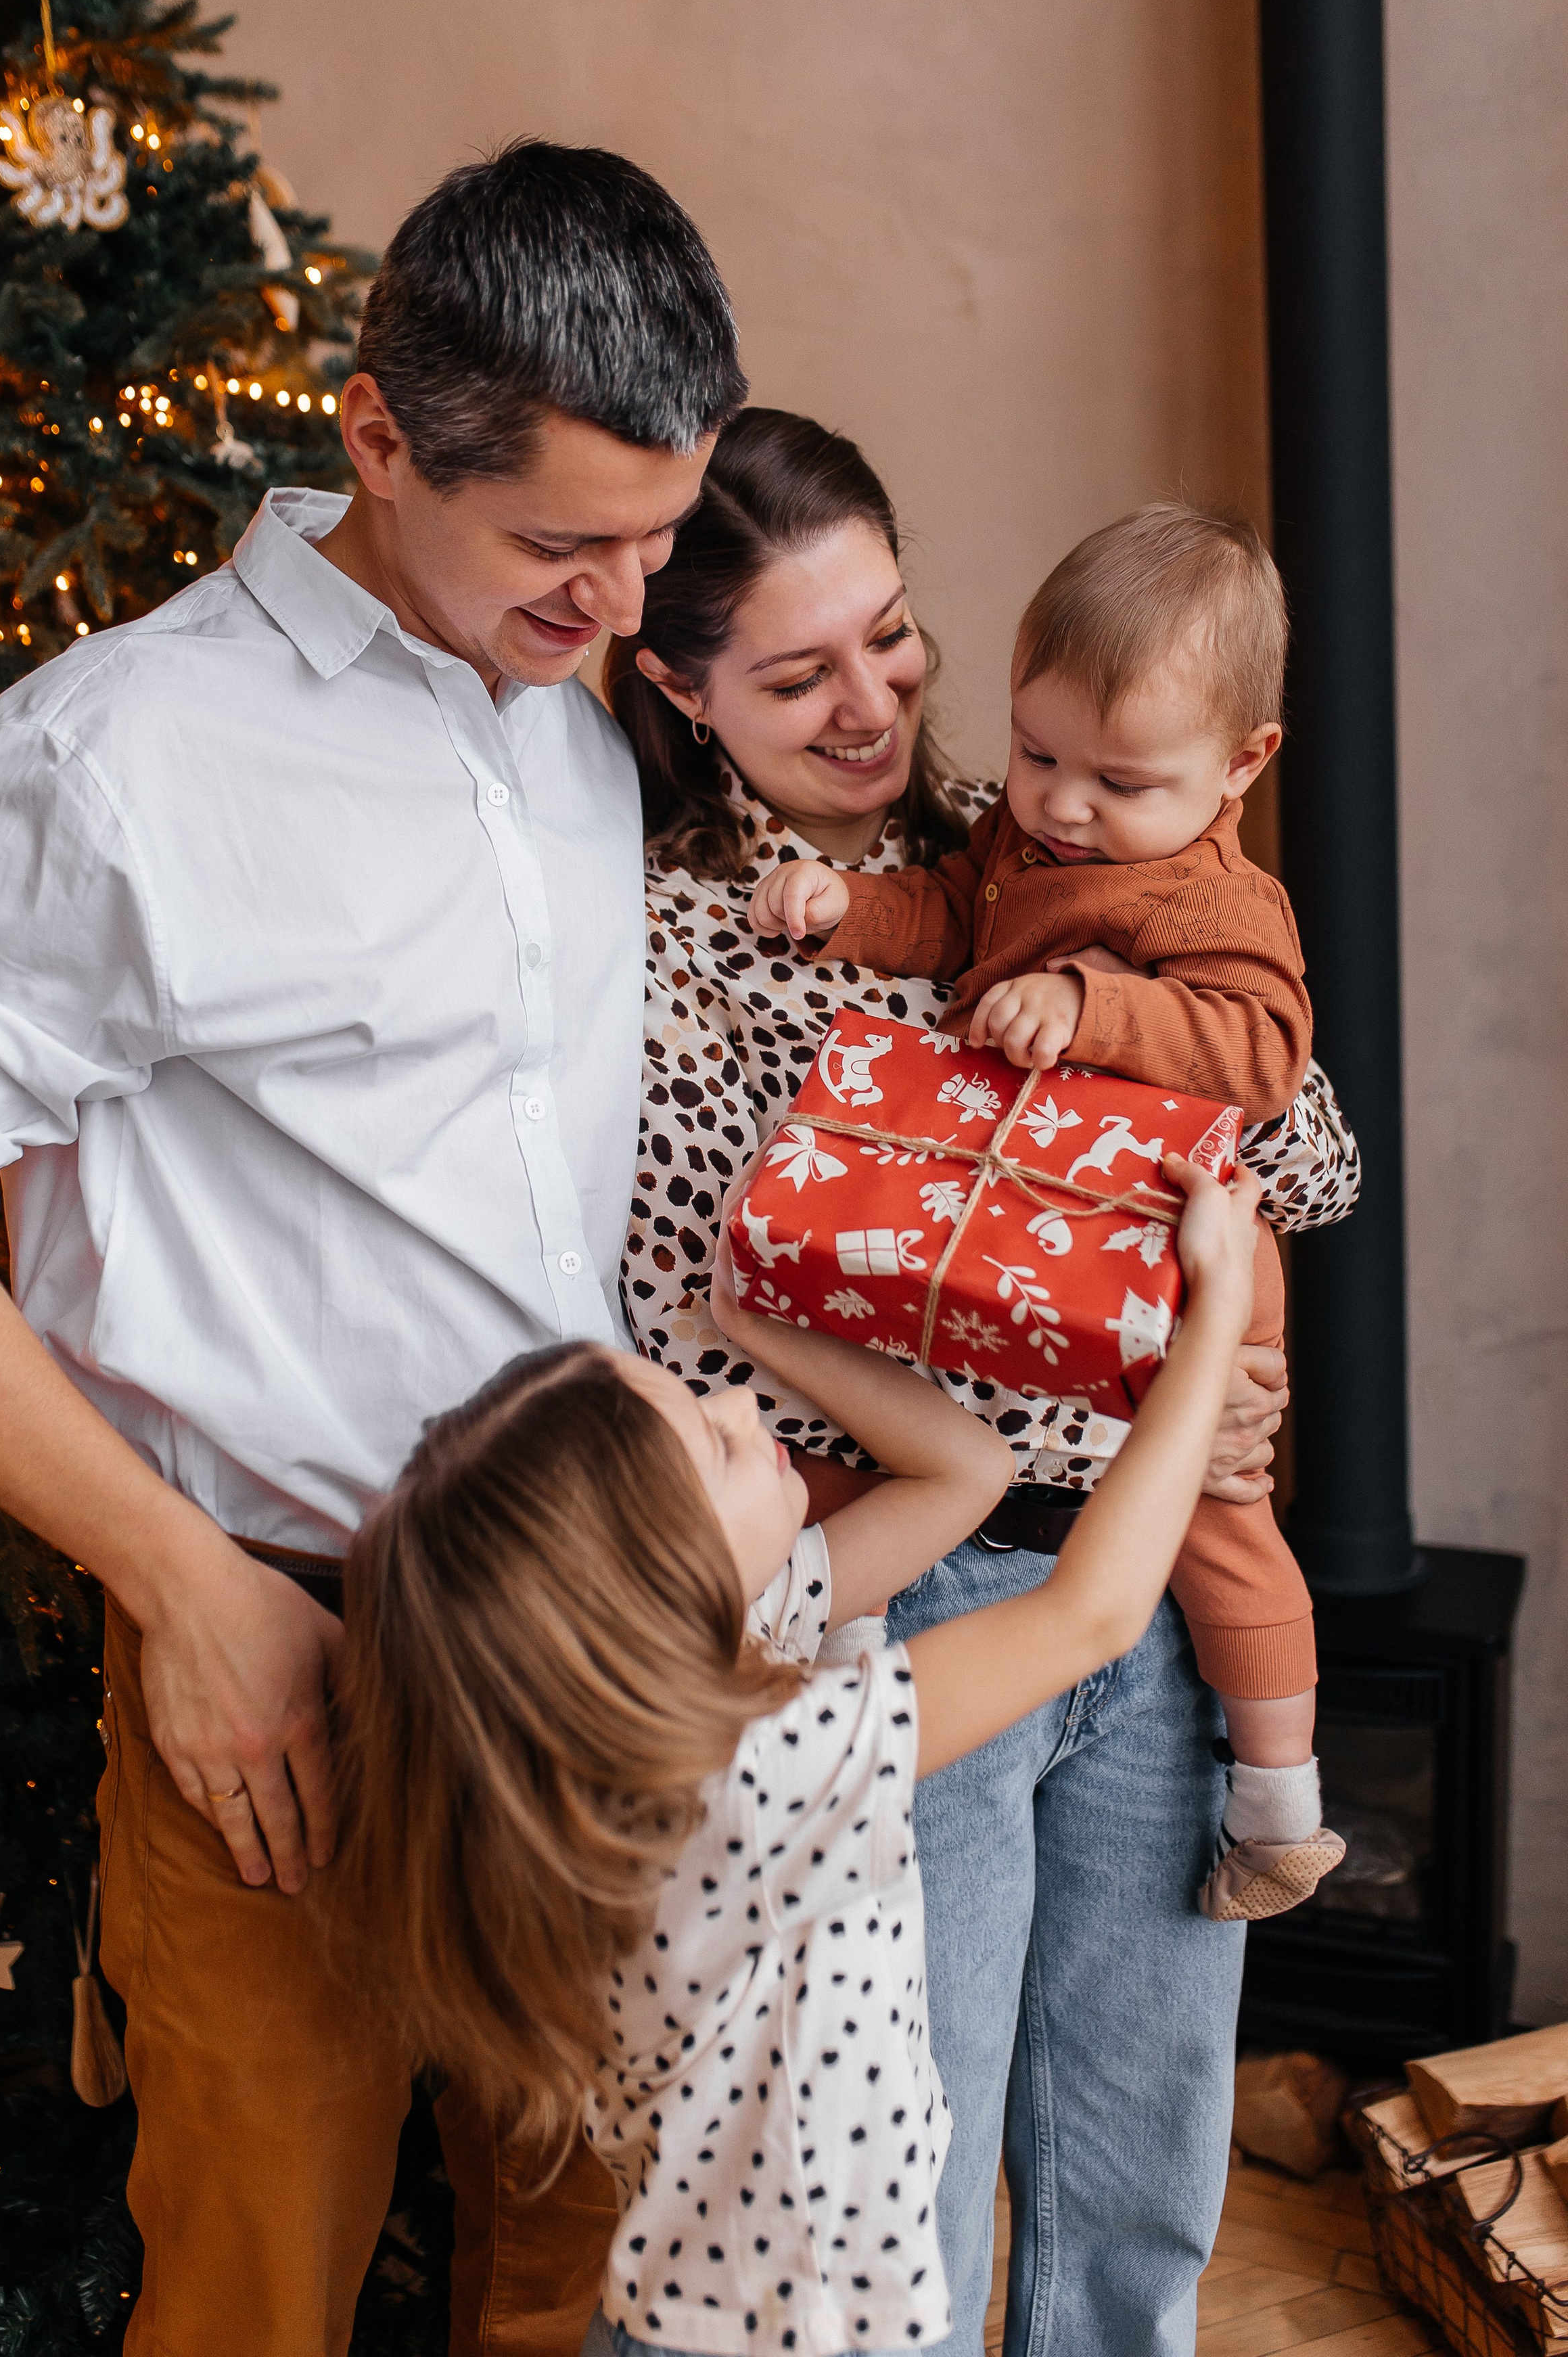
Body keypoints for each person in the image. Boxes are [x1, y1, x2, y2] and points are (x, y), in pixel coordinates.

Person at [0, 141, 746, 2357]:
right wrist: (185, 1585)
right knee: (259, 2296)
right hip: (280, 1653)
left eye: (658, 536)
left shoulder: (574, 709)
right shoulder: (120, 761)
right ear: (377, 440)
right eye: (562, 543)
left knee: (575, 2271)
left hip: (593, 1650)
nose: (625, 603)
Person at [603, 407, 1363, 2356]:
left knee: (1139, 2164)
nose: (871, 704)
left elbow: (1311, 1151)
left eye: (888, 635)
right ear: (680, 690)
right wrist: (1151, 1377)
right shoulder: (670, 948)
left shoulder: (1035, 836)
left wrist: (1206, 1337)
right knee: (915, 2180)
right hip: (915, 1613)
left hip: (1152, 1587)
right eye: (797, 674)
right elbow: (708, 1324)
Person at [344, 1139, 1262, 2357]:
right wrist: (1210, 1326)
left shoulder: (738, 1658)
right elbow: (1090, 1614)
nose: (738, 1405)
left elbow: (971, 1471)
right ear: (651, 1586)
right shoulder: (762, 1773)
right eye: (715, 1442)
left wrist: (758, 1319)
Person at [747, 501, 1347, 1925]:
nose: (1062, 807)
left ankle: (1278, 1801)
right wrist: (844, 911)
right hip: (1056, 1257)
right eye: (1035, 755)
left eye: (1117, 781)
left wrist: (1089, 1006)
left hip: (1188, 1248)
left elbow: (1265, 1052)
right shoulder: (1021, 839)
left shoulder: (1214, 896)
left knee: (1217, 1519)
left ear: (1242, 764)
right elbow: (950, 914)